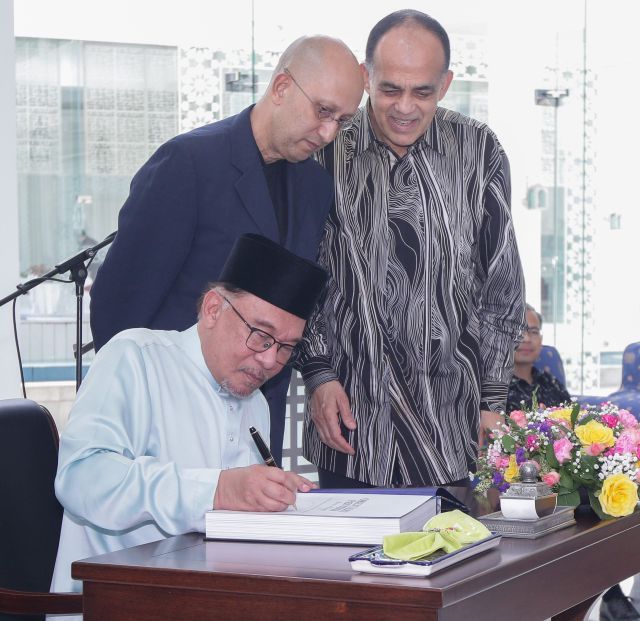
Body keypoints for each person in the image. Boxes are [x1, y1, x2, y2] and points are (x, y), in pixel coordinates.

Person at [88, 35, 364, 465]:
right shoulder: (188, 162)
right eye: (323, 111)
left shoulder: (315, 184)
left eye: (343, 121)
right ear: (281, 88)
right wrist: (136, 407)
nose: (329, 132)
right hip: (166, 421)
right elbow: (118, 308)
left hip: (255, 418)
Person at [300, 9, 525, 489]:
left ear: (444, 85)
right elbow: (301, 274)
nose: (405, 106)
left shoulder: (478, 149)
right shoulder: (324, 149)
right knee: (351, 566)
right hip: (353, 432)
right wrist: (317, 373)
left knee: (460, 564)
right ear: (366, 78)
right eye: (389, 89)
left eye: (422, 91)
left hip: (454, 433)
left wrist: (492, 402)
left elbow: (501, 284)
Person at [50, 234, 328, 606]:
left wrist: (272, 498)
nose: (269, 361)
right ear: (213, 309)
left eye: (286, 348)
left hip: (204, 599)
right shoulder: (135, 357)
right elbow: (81, 478)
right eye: (262, 336)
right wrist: (216, 490)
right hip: (115, 603)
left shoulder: (254, 402)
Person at [505, 303, 571, 412]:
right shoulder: (493, 390)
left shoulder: (551, 383)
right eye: (518, 331)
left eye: (534, 332)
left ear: (541, 339)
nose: (526, 338)